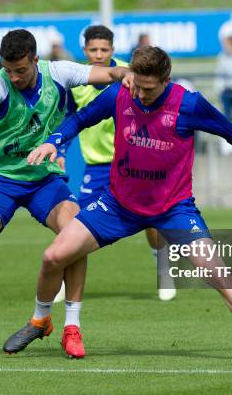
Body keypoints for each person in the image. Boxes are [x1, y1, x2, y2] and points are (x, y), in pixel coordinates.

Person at [5, 46, 232, 362]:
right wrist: (53, 140)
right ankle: (40, 320)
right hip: (118, 205)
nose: (140, 94)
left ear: (166, 80)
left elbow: (230, 132)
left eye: (149, 88)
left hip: (174, 208)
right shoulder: (121, 93)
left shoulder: (188, 103)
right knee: (52, 256)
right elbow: (82, 118)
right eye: (137, 85)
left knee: (215, 271)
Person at [0, 29, 133, 359]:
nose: (14, 76)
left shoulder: (59, 73)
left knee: (77, 232)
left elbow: (107, 72)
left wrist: (128, 74)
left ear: (35, 60)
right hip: (0, 180)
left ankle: (70, 327)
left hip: (43, 179)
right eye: (8, 69)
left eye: (21, 69)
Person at [64, 25, 176, 302]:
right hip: (97, 166)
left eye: (104, 49)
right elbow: (70, 118)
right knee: (77, 220)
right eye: (94, 50)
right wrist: (60, 149)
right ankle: (64, 282)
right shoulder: (77, 80)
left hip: (134, 162)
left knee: (151, 220)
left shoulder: (131, 74)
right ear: (85, 51)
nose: (99, 54)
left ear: (113, 51)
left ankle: (163, 268)